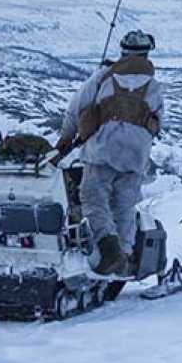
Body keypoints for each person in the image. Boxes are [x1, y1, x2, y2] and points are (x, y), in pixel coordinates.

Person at [56, 30, 163, 276]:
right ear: (147, 53)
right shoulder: (154, 85)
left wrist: (65, 138)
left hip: (103, 148)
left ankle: (109, 250)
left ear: (123, 50)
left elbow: (77, 107)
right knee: (124, 204)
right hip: (136, 154)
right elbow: (158, 121)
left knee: (92, 197)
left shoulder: (104, 76)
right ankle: (124, 257)